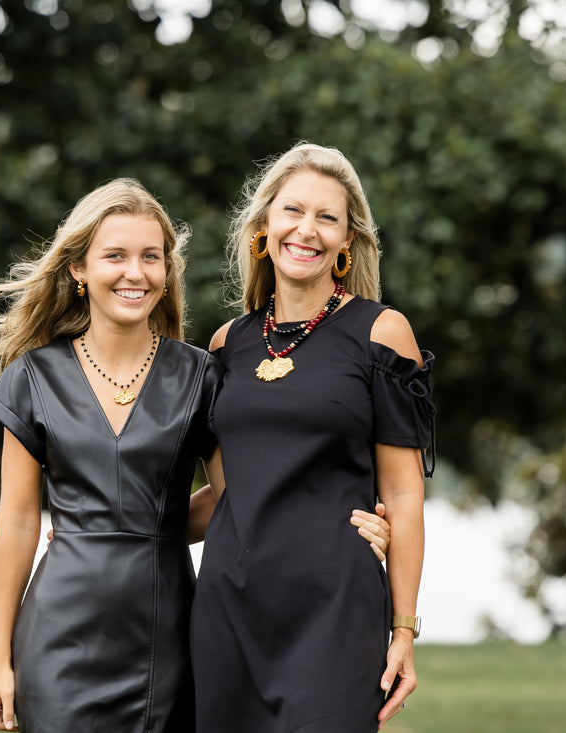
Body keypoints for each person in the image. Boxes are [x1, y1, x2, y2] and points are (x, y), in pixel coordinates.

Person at [0, 178, 391, 732]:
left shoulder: (201, 376)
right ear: (78, 270)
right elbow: (19, 520)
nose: (134, 273)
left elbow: (241, 497)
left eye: (151, 257)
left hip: (168, 633)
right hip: (58, 636)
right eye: (114, 256)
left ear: (166, 273)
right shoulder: (31, 377)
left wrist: (339, 518)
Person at [190, 143, 436, 732]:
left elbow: (403, 497)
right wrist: (101, 523)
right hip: (229, 607)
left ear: (348, 240)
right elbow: (228, 494)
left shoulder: (380, 332)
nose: (307, 230)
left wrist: (403, 630)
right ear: (264, 224)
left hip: (335, 609)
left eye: (327, 218)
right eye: (293, 211)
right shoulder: (226, 344)